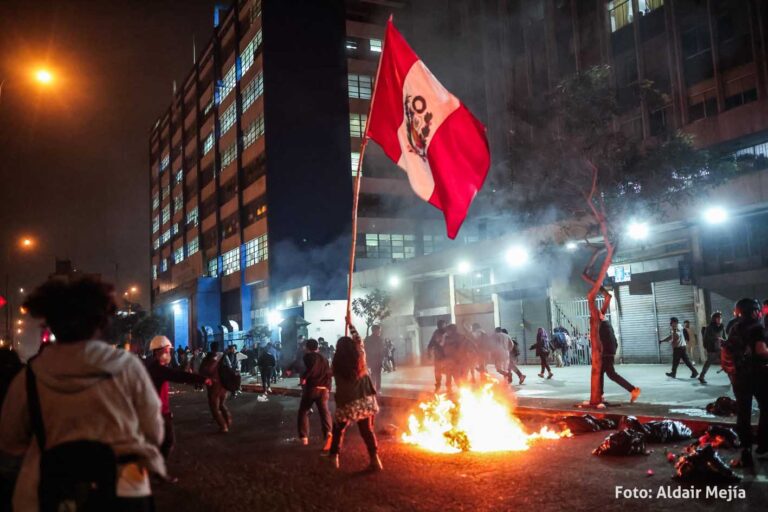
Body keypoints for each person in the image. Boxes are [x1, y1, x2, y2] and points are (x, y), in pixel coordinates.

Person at [0, 278, 165, 511]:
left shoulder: (30, 377)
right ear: (101, 322)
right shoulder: (128, 368)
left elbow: (10, 440)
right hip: (124, 491)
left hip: (50, 496)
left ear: (52, 324)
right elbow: (154, 432)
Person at [145, 336, 210, 461]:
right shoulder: (158, 369)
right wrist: (203, 379)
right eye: (168, 351)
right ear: (160, 352)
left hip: (156, 411)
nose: (170, 354)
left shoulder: (153, 367)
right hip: (158, 413)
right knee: (166, 441)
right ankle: (155, 467)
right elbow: (179, 376)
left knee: (160, 442)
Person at [329, 321, 382, 471]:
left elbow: (332, 375)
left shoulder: (336, 363)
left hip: (347, 402)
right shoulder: (361, 356)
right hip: (365, 399)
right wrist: (350, 325)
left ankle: (334, 458)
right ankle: (375, 459)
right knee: (367, 430)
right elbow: (358, 339)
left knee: (338, 429)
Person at [721, 298, 768, 467]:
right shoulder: (757, 328)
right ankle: (763, 445)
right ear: (752, 312)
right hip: (758, 375)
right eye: (757, 310)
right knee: (766, 407)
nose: (759, 313)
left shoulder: (735, 328)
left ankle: (746, 448)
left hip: (739, 377)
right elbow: (761, 351)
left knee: (743, 412)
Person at [298, 339, 333, 449]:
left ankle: (304, 436)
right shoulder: (324, 359)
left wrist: (304, 378)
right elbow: (329, 374)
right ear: (317, 347)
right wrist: (328, 388)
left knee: (304, 411)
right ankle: (328, 432)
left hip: (312, 388)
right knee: (324, 412)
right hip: (324, 389)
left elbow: (310, 368)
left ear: (307, 347)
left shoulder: (308, 357)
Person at [598, 317, 641, 403]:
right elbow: (614, 341)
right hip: (609, 352)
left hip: (606, 353)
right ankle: (633, 390)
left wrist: (601, 352)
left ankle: (633, 390)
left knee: (604, 374)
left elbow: (601, 341)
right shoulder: (608, 325)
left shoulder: (601, 326)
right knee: (606, 374)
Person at [199, 342, 233, 433]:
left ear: (211, 348)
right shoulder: (224, 356)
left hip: (213, 385)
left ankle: (223, 426)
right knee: (222, 404)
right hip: (223, 384)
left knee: (214, 407)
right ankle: (228, 421)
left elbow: (203, 370)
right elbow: (230, 367)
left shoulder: (209, 357)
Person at [699, 312, 726, 384]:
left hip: (720, 347)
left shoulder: (721, 326)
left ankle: (732, 378)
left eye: (720, 318)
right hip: (712, 347)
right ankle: (701, 376)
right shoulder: (709, 328)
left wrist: (725, 343)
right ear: (714, 319)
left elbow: (724, 337)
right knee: (708, 362)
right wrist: (716, 339)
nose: (720, 319)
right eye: (718, 318)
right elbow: (706, 338)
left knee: (726, 361)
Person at [427, 320, 448, 392]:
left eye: (443, 325)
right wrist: (429, 353)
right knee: (437, 371)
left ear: (445, 325)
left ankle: (449, 387)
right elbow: (431, 344)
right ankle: (438, 385)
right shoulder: (436, 333)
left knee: (449, 371)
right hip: (438, 356)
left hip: (448, 356)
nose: (441, 327)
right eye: (440, 325)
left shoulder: (448, 332)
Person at [365, 325, 385, 392]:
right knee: (375, 375)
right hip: (374, 360)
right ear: (374, 331)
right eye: (379, 330)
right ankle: (376, 389)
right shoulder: (376, 339)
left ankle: (375, 389)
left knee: (375, 375)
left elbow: (382, 350)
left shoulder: (369, 339)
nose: (380, 332)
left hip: (375, 360)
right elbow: (366, 350)